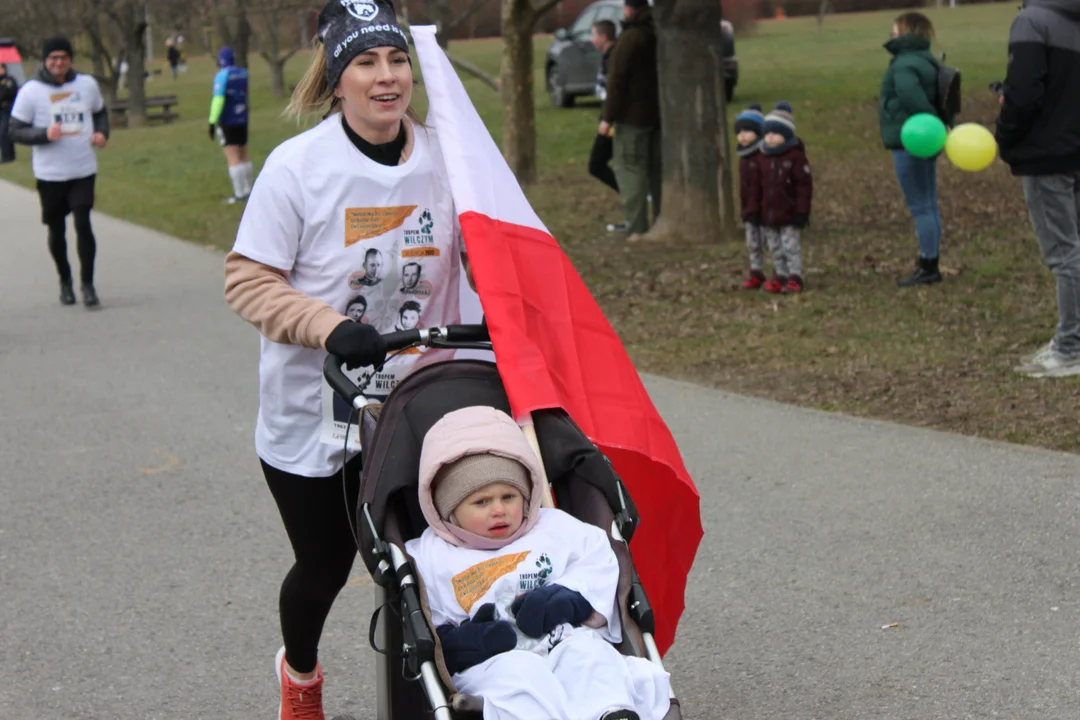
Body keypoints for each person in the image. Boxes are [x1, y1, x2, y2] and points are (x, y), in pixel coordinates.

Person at [222, 0, 473, 715]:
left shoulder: (447, 160)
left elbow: (484, 259)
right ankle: (300, 674)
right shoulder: (297, 167)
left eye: (396, 60)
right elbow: (246, 280)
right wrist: (327, 325)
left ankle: (436, 695)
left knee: (424, 567)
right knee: (327, 564)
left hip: (422, 396)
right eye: (366, 62)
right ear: (337, 77)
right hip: (315, 405)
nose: (386, 77)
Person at [406, 405, 672, 720]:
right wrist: (467, 642)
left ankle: (610, 711)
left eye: (509, 497)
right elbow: (430, 620)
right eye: (481, 502)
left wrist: (569, 598)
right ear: (449, 509)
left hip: (563, 636)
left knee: (588, 656)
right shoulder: (433, 555)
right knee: (520, 677)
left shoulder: (554, 527)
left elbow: (598, 561)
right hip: (495, 658)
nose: (499, 511)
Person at [997, 0, 1080, 378]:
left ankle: (1070, 347)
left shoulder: (1032, 20)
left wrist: (1007, 136)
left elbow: (1026, 91)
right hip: (1071, 148)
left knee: (1065, 253)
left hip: (1049, 155)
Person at [8, 35, 108, 308]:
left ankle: (87, 284)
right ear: (45, 60)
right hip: (50, 173)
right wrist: (43, 134)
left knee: (83, 222)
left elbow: (100, 112)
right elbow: (14, 130)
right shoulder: (31, 91)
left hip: (82, 167)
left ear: (70, 60)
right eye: (53, 58)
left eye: (64, 57)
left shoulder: (86, 85)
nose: (59, 62)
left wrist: (101, 133)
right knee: (57, 229)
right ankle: (65, 280)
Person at [878, 12, 944, 288]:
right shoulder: (925, 59)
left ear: (906, 31)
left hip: (911, 142)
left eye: (895, 29)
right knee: (928, 203)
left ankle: (928, 264)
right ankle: (931, 260)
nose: (891, 33)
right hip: (921, 141)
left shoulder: (904, 64)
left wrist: (928, 125)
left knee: (920, 205)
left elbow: (910, 96)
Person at [600, 0, 661, 239]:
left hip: (631, 118)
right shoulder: (656, 33)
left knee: (631, 170)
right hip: (655, 115)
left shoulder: (630, 38)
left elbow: (616, 81)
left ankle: (636, 227)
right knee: (654, 170)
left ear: (628, 10)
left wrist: (608, 117)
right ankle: (658, 217)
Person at [759, 102, 812, 295]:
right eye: (767, 133)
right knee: (774, 247)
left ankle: (795, 275)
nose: (770, 137)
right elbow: (758, 187)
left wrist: (802, 212)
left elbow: (804, 187)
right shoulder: (763, 157)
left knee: (790, 246)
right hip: (769, 214)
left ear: (787, 135)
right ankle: (780, 274)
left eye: (775, 133)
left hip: (789, 214)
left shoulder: (795, 157)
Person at [588, 20, 622, 233]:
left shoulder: (614, 59)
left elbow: (615, 92)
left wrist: (607, 120)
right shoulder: (607, 57)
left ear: (604, 36)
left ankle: (636, 195)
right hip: (608, 119)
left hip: (613, 122)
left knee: (597, 163)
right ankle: (633, 196)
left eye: (594, 35)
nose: (592, 40)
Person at [208, 46, 253, 204]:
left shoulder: (222, 76)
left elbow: (218, 99)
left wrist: (212, 121)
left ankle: (239, 193)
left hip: (228, 120)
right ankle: (249, 190)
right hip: (243, 118)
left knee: (233, 157)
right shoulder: (243, 73)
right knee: (244, 154)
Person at [735, 103, 766, 290]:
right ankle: (756, 272)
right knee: (752, 243)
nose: (742, 135)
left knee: (772, 244)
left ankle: (783, 273)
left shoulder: (763, 157)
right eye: (739, 132)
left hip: (764, 209)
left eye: (747, 131)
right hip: (749, 209)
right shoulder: (743, 158)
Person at [0, 63, 18, 164]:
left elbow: (8, 93)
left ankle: (8, 157)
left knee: (4, 132)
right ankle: (6, 155)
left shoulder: (9, 80)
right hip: (1, 110)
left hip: (7, 108)